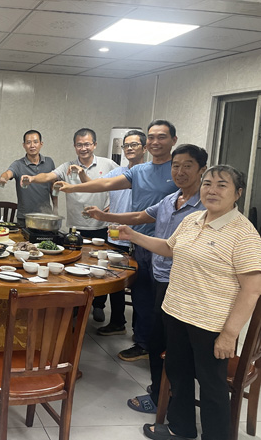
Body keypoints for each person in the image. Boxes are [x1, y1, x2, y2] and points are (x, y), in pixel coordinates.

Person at [114, 165, 261, 440]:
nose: (212, 190)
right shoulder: (193, 219)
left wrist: (229, 334)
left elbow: (252, 290)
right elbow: (169, 248)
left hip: (211, 323)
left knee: (211, 385)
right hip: (176, 312)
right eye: (207, 184)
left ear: (238, 193)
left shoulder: (244, 234)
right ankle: (180, 428)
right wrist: (133, 236)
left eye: (222, 185)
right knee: (178, 372)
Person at [85, 144, 207, 415]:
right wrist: (105, 216)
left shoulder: (205, 207)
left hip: (183, 283)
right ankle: (160, 394)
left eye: (188, 166)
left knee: (173, 345)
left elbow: (175, 248)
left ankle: (170, 401)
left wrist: (132, 235)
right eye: (176, 166)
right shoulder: (171, 199)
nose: (180, 171)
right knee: (157, 338)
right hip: (161, 276)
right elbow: (141, 216)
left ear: (202, 170)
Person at [57, 119, 179, 361]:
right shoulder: (138, 171)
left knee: (163, 304)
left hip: (169, 246)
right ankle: (143, 343)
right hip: (139, 241)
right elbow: (107, 184)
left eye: (161, 137)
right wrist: (72, 188)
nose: (155, 142)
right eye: (151, 137)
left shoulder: (177, 170)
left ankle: (163, 352)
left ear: (173, 140)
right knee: (142, 296)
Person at [91, 129, 146, 329]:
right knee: (115, 280)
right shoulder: (117, 173)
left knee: (140, 288)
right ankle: (117, 322)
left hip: (139, 237)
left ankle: (140, 333)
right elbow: (97, 185)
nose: (129, 148)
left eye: (134, 144)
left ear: (144, 148)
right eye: (126, 145)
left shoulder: (148, 174)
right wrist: (79, 177)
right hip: (115, 235)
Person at [23, 127, 118, 239]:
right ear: (74, 146)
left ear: (94, 145)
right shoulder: (67, 167)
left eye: (87, 144)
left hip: (102, 224)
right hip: (76, 225)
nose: (83, 148)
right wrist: (32, 178)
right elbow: (48, 176)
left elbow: (125, 182)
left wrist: (115, 204)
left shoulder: (108, 164)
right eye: (79, 145)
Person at [0, 130, 56, 227]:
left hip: (45, 216)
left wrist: (55, 208)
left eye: (35, 142)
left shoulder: (49, 162)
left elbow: (53, 186)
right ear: (24, 145)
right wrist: (3, 178)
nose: (32, 145)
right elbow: (7, 173)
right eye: (28, 142)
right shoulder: (18, 164)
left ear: (41, 144)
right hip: (24, 217)